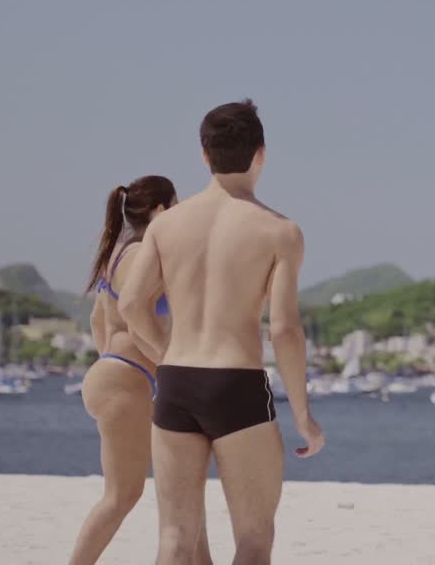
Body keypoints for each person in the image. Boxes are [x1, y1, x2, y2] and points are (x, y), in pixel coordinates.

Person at [118, 99, 325, 564]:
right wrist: (304, 415)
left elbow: (132, 304)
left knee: (175, 536)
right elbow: (286, 330)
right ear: (262, 154)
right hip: (237, 385)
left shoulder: (166, 225)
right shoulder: (281, 231)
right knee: (253, 539)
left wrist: (169, 352)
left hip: (177, 382)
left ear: (205, 156)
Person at [70, 176, 213, 565]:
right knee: (122, 496)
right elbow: (133, 315)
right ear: (161, 210)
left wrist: (118, 365)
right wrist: (165, 359)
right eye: (177, 202)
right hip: (127, 381)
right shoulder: (138, 256)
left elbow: (100, 323)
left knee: (181, 494)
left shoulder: (118, 255)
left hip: (121, 377)